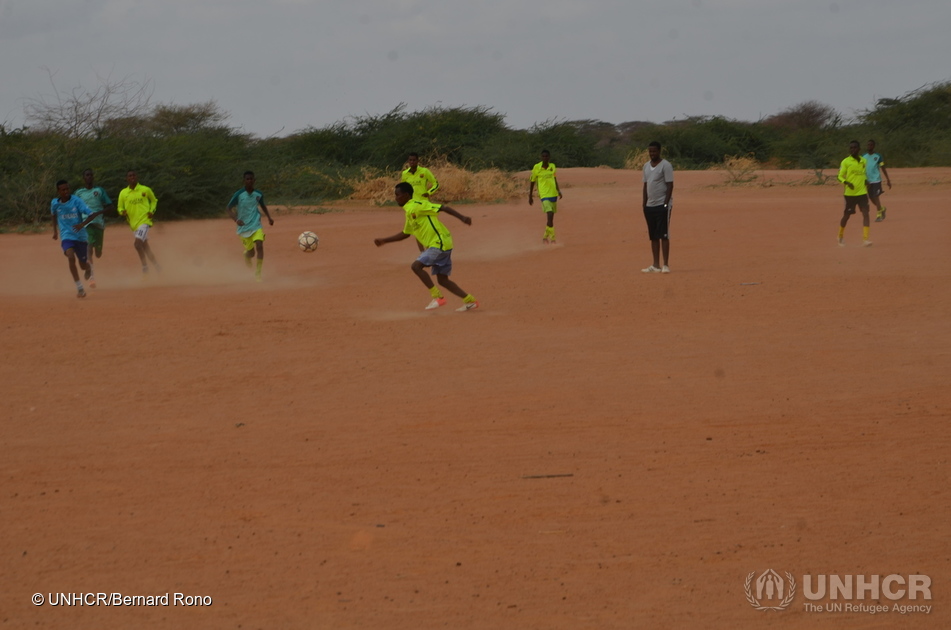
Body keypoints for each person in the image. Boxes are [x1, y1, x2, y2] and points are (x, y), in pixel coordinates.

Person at [374, 182, 479, 312]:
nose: (396, 198)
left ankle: (438, 297)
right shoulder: (408, 212)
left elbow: (443, 208)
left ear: (406, 195)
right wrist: (385, 240)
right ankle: (470, 300)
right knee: (443, 280)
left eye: (398, 195)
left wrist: (462, 218)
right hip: (442, 244)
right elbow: (407, 233)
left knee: (416, 266)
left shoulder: (418, 205)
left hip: (439, 243)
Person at [226, 171, 275, 282]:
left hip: (256, 224)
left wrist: (269, 217)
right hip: (243, 227)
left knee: (260, 245)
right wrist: (236, 219)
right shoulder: (239, 194)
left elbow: (263, 205)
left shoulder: (258, 194)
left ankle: (258, 274)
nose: (249, 181)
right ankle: (246, 255)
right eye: (247, 179)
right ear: (244, 181)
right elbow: (228, 208)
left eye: (251, 179)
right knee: (251, 252)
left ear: (254, 180)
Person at [50, 180, 94, 298]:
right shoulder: (55, 203)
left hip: (80, 237)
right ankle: (79, 287)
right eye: (63, 190)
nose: (66, 192)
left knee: (83, 265)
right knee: (70, 257)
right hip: (66, 236)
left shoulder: (76, 201)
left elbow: (91, 214)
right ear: (58, 191)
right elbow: (53, 214)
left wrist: (82, 224)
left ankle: (88, 267)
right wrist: (55, 231)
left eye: (67, 189)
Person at [73, 168, 114, 288]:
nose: (89, 177)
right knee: (88, 248)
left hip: (99, 224)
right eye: (87, 175)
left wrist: (99, 212)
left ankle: (94, 257)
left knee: (98, 253)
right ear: (83, 178)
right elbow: (73, 207)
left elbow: (110, 206)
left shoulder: (99, 191)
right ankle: (91, 277)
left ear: (93, 177)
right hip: (86, 224)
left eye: (91, 175)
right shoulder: (79, 193)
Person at [116, 170, 161, 276]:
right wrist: (122, 212)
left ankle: (145, 268)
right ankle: (157, 266)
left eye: (134, 175)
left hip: (144, 221)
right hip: (133, 224)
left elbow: (154, 200)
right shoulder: (123, 193)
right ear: (126, 179)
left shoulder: (145, 189)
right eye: (129, 176)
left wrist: (151, 211)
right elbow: (119, 207)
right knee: (145, 247)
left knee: (137, 244)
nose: (132, 177)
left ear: (137, 177)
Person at [641, 141, 674, 273]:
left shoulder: (666, 165)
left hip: (662, 205)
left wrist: (666, 203)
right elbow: (645, 185)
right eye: (650, 151)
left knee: (664, 235)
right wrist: (644, 203)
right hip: (650, 205)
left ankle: (665, 265)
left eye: (654, 151)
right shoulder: (645, 166)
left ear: (659, 151)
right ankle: (655, 265)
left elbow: (670, 185)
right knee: (653, 236)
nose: (652, 154)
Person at [837, 140, 872, 247]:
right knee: (846, 216)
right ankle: (840, 236)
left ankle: (865, 239)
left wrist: (866, 180)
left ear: (859, 149)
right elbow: (839, 176)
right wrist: (846, 182)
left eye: (855, 147)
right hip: (850, 194)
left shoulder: (863, 161)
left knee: (866, 213)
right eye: (851, 147)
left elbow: (863, 174)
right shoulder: (845, 162)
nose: (853, 149)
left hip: (862, 193)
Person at [528, 149, 563, 244]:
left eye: (546, 156)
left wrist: (558, 190)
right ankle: (553, 239)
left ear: (549, 157)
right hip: (544, 195)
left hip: (553, 194)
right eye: (543, 156)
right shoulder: (537, 167)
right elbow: (532, 181)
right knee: (550, 214)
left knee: (551, 218)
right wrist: (530, 196)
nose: (545, 158)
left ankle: (544, 237)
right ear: (541, 157)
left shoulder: (552, 166)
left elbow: (554, 179)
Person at [863, 139, 892, 222]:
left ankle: (879, 214)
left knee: (876, 197)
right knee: (871, 198)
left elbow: (883, 168)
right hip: (867, 180)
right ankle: (882, 208)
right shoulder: (863, 156)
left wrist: (888, 180)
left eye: (871, 145)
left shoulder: (878, 156)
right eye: (868, 145)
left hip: (876, 180)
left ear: (874, 146)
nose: (869, 146)